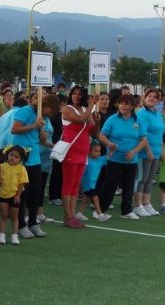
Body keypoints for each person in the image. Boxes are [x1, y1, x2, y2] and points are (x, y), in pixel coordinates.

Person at [11, 92, 59, 238]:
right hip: (21, 158)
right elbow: (14, 129)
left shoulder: (43, 117)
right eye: (49, 111)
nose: (49, 114)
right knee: (22, 193)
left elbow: (42, 139)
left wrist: (53, 144)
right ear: (45, 106)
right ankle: (21, 225)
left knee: (36, 192)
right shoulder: (25, 111)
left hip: (35, 158)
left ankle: (33, 223)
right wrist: (33, 125)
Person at [96, 95, 147, 221]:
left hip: (131, 160)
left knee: (129, 186)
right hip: (114, 159)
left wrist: (134, 151)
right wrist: (109, 144)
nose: (123, 106)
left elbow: (144, 140)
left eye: (126, 103)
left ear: (132, 106)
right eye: (121, 103)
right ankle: (100, 211)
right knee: (110, 185)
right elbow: (102, 135)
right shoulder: (112, 119)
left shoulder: (138, 121)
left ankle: (127, 211)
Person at [60, 86, 97, 227]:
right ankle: (67, 216)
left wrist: (95, 117)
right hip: (70, 151)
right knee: (68, 184)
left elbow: (92, 127)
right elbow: (81, 120)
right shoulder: (68, 109)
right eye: (74, 93)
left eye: (79, 94)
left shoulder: (84, 110)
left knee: (76, 185)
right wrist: (92, 105)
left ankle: (73, 215)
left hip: (82, 152)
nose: (76, 96)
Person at [134, 88, 164, 218]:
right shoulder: (142, 113)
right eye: (149, 96)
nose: (152, 98)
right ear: (144, 98)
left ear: (158, 100)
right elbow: (142, 135)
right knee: (141, 179)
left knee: (149, 180)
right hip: (145, 152)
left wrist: (161, 150)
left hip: (156, 152)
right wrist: (148, 151)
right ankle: (137, 205)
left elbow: (160, 133)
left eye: (155, 97)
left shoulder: (157, 113)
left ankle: (146, 203)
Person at [0, 145, 27, 245]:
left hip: (15, 197)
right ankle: (1, 234)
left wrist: (18, 195)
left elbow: (22, 184)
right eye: (11, 155)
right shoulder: (2, 166)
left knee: (14, 217)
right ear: (7, 155)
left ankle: (14, 235)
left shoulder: (21, 169)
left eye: (16, 157)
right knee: (4, 215)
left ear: (21, 159)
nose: (12, 157)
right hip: (3, 195)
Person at [76, 141, 106, 222]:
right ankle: (100, 215)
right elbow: (82, 173)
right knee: (95, 198)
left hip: (93, 184)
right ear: (89, 152)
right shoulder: (86, 161)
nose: (98, 153)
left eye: (99, 151)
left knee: (86, 199)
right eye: (95, 151)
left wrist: (112, 150)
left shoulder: (100, 160)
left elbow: (108, 156)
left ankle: (79, 214)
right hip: (87, 183)